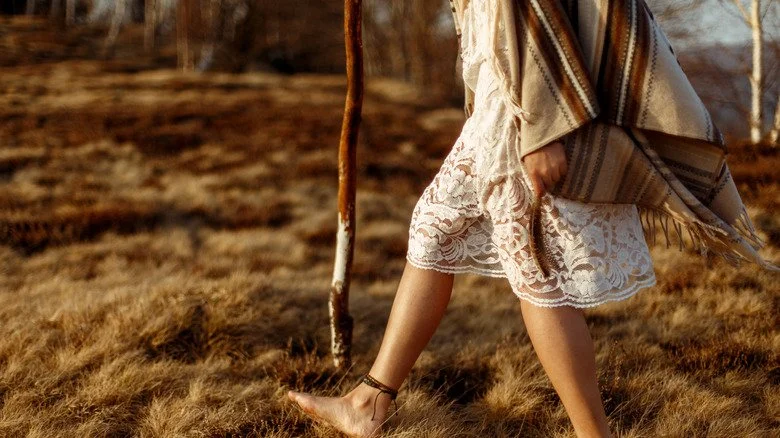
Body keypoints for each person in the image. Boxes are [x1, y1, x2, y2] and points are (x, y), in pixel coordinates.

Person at [287, 1, 663, 436]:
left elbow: (536, 13)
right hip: (495, 105)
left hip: (520, 115)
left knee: (535, 268)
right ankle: (368, 401)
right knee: (433, 231)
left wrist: (541, 129)